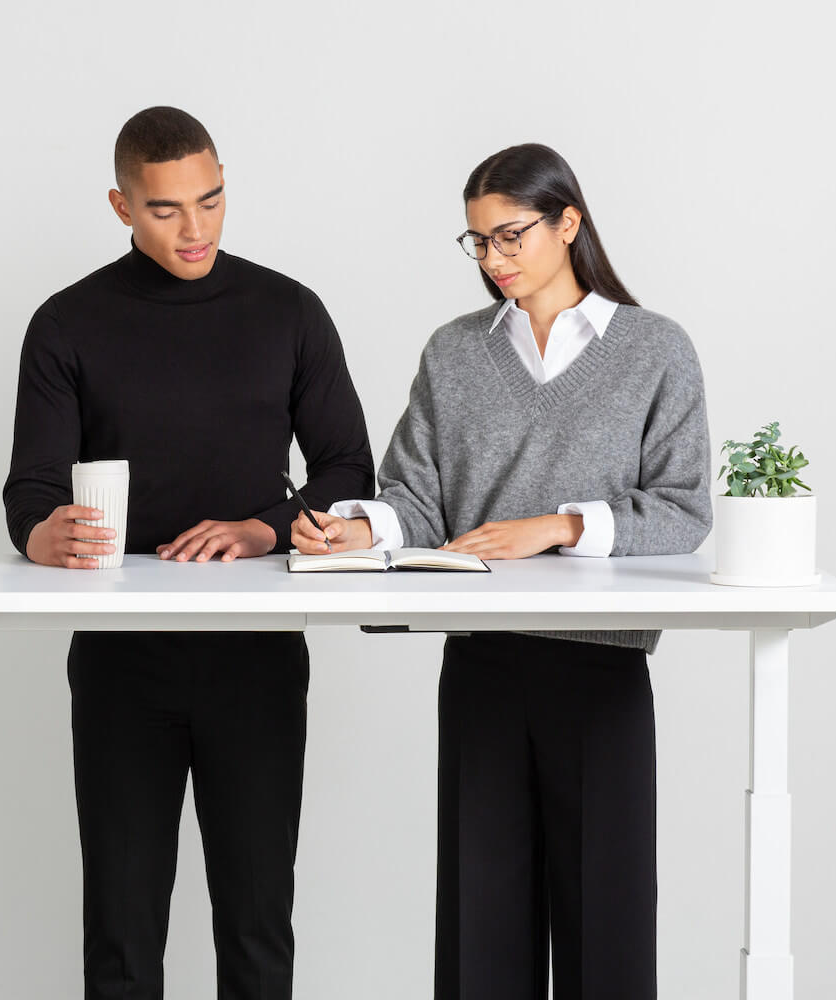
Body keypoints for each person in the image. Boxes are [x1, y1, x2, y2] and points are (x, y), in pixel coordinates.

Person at [292, 143, 712, 999]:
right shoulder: (454, 353)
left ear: (568, 223)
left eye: (510, 235)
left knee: (609, 937)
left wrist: (554, 527)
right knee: (479, 935)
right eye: (478, 242)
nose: (494, 260)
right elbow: (416, 495)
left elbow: (683, 511)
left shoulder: (656, 350)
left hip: (602, 666)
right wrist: (358, 528)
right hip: (482, 662)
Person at [4, 106, 373, 1000]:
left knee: (255, 927)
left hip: (257, 657)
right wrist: (42, 533)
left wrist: (265, 526)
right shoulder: (67, 323)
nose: (196, 229)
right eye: (167, 209)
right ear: (121, 205)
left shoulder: (288, 310)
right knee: (122, 933)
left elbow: (348, 468)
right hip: (121, 661)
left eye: (211, 201)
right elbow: (30, 488)